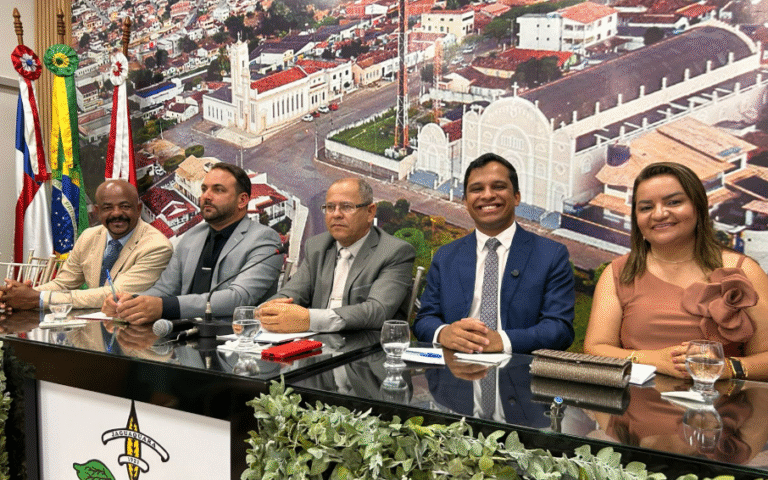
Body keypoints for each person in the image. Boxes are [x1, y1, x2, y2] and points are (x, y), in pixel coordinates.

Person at [584, 162, 768, 380]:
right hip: (635, 400)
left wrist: (727, 367)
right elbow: (595, 349)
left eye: (674, 202)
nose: (659, 214)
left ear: (698, 206)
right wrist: (655, 360)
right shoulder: (618, 274)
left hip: (719, 401)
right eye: (646, 207)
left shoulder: (743, 270)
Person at [412, 153, 575, 354]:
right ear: (466, 201)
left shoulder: (551, 255)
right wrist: (444, 333)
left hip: (518, 369)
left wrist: (503, 341)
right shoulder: (446, 256)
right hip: (455, 368)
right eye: (477, 189)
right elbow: (424, 320)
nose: (487, 195)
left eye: (498, 186)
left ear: (517, 197)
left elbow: (560, 329)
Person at [103, 163, 283, 324]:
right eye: (204, 189)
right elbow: (165, 289)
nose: (206, 196)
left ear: (242, 200)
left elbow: (238, 298)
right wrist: (129, 302)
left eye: (218, 190)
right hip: (182, 336)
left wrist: (165, 307)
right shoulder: (193, 235)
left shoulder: (264, 239)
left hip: (234, 338)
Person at [258, 178, 416, 333]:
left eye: (346, 207)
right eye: (330, 207)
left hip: (364, 345)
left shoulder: (395, 252)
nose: (336, 214)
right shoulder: (317, 246)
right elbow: (291, 294)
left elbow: (377, 311)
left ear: (370, 212)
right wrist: (266, 311)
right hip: (313, 343)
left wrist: (309, 319)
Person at [0, 179, 172, 310]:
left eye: (125, 206)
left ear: (138, 209)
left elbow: (114, 294)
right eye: (108, 208)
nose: (117, 213)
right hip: (93, 330)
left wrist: (37, 298)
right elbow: (63, 283)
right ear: (97, 211)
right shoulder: (89, 236)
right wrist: (16, 296)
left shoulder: (156, 246)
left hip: (133, 333)